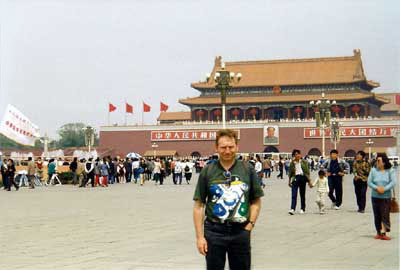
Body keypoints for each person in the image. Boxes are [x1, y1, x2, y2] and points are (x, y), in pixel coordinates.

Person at [193, 129, 264, 270]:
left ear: (237, 147)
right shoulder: (208, 170)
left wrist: (249, 226)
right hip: (214, 232)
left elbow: (256, 201)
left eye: (231, 147)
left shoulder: (247, 169)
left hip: (240, 231)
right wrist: (200, 237)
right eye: (223, 147)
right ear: (216, 148)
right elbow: (198, 205)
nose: (227, 151)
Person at [368, 153, 396, 240]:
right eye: (376, 160)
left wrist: (384, 189)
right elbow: (369, 182)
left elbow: (393, 182)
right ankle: (378, 232)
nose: (377, 162)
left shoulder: (390, 170)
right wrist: (377, 188)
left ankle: (384, 233)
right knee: (377, 215)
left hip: (385, 197)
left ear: (384, 162)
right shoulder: (373, 170)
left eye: (379, 161)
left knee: (385, 214)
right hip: (375, 196)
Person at [288, 149, 311, 215]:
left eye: (298, 154)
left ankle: (302, 208)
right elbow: (290, 173)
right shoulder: (292, 163)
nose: (297, 155)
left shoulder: (304, 162)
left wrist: (309, 181)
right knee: (294, 194)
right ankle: (292, 209)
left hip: (302, 178)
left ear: (300, 154)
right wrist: (289, 181)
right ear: (294, 156)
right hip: (295, 179)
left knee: (302, 194)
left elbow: (307, 172)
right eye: (295, 154)